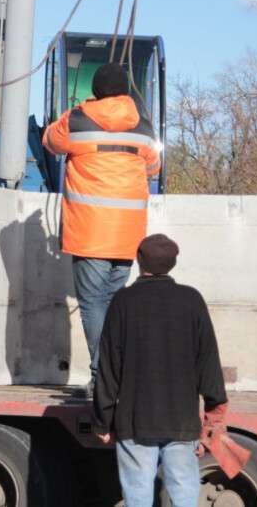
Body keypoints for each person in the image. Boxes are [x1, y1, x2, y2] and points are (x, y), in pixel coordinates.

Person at [42, 63, 161, 395]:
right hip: (128, 234)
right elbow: (154, 165)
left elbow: (50, 140)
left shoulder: (78, 119)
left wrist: (69, 112)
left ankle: (103, 379)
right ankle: (115, 376)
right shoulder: (143, 125)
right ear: (125, 91)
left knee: (93, 304)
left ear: (95, 90)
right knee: (110, 304)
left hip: (90, 231)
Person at [93, 233, 228, 507]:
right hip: (181, 421)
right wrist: (214, 411)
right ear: (173, 264)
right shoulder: (192, 300)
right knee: (184, 494)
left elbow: (108, 367)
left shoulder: (123, 302)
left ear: (139, 261)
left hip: (134, 421)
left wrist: (102, 420)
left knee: (138, 495)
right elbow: (208, 361)